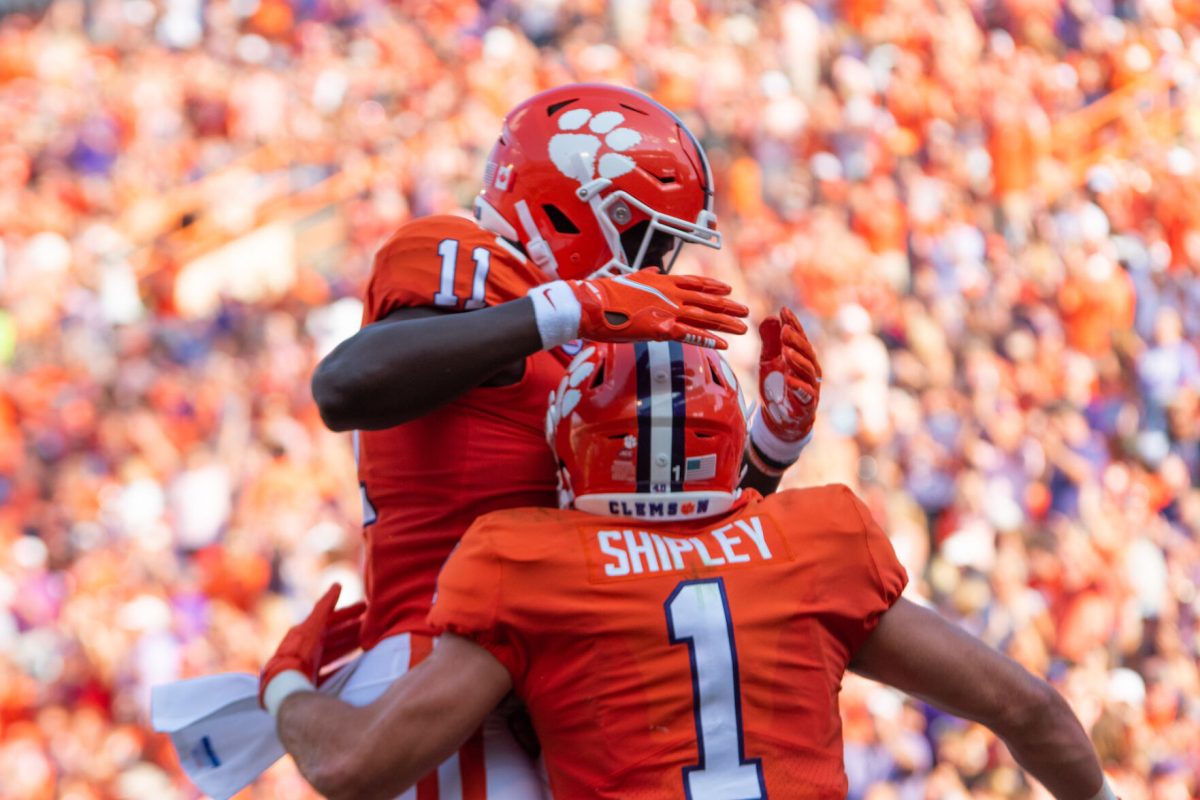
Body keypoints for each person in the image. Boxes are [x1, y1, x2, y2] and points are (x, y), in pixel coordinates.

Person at [261, 341, 1116, 800]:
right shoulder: (814, 541)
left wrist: (286, 692)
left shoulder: (524, 562)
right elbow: (1026, 707)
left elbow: (354, 770)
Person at [293, 82, 821, 796]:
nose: (657, 261)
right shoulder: (477, 270)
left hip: (549, 676)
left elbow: (678, 547)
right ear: (566, 205)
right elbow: (344, 388)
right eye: (647, 234)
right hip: (444, 677)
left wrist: (767, 451)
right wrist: (568, 307)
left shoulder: (589, 329)